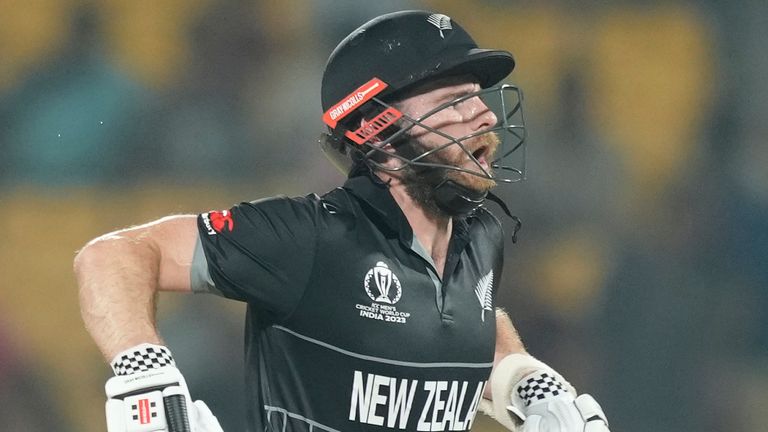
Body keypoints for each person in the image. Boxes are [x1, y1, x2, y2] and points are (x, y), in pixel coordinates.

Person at [75, 10, 609, 432]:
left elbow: (463, 322)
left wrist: (525, 381)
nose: (486, 117)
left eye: (478, 98)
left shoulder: (479, 239)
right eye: (454, 103)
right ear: (377, 130)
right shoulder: (310, 238)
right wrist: (144, 373)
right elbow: (112, 255)